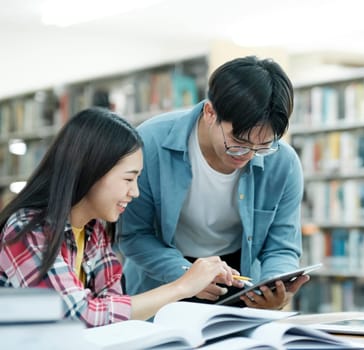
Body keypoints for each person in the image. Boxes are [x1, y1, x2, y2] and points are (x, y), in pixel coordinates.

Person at [0, 107, 236, 327]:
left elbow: (112, 308)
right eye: (128, 179)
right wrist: (182, 287)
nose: (135, 192)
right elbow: (77, 316)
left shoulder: (94, 232)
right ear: (91, 170)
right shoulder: (27, 230)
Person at [119, 55, 309, 310]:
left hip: (239, 283)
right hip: (163, 281)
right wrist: (186, 275)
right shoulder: (150, 143)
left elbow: (282, 246)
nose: (249, 155)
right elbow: (134, 235)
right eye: (238, 143)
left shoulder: (283, 163)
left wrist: (274, 286)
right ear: (210, 112)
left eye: (263, 145)